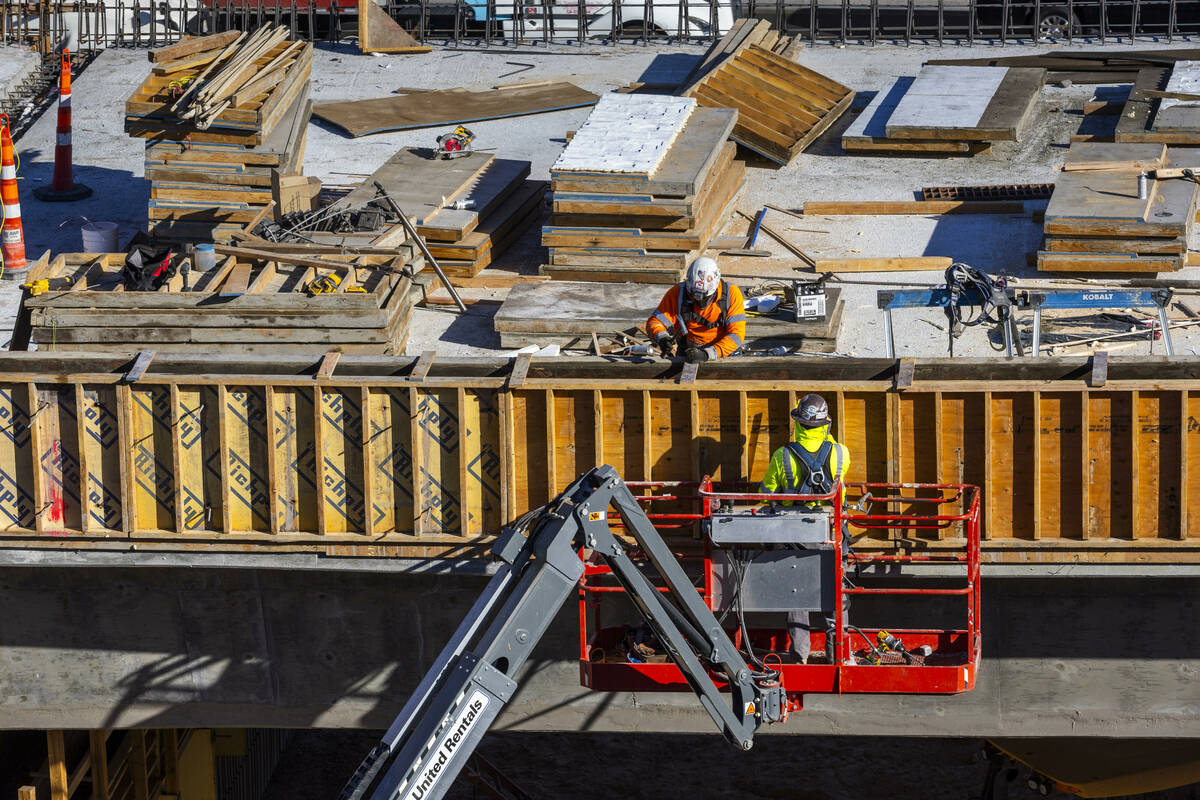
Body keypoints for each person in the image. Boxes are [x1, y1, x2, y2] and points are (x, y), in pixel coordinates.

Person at [758, 393, 852, 664]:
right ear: (827, 424)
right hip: (830, 534)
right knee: (835, 593)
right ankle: (838, 654)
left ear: (798, 422)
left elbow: (766, 496)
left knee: (796, 593)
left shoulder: (782, 455)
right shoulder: (841, 452)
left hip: (794, 536)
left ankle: (800, 655)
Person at [646, 257, 746, 363]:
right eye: (694, 297)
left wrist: (707, 354)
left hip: (722, 353)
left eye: (705, 297)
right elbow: (655, 322)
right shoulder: (678, 293)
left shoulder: (731, 295)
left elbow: (736, 335)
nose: (700, 302)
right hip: (687, 353)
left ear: (715, 287)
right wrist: (662, 338)